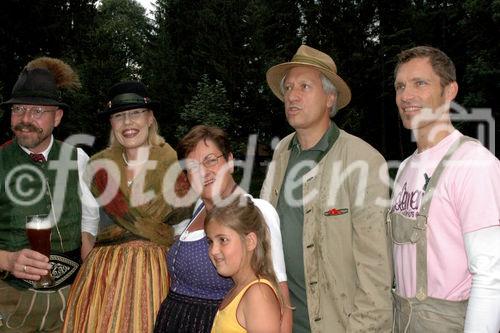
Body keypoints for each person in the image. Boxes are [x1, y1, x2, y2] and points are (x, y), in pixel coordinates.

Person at [260, 45, 393, 332]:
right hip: (283, 322)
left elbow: (376, 270)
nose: (292, 96)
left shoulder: (363, 161)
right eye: (288, 88)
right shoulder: (282, 153)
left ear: (330, 98)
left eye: (304, 86)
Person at [389, 46, 500, 332]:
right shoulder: (405, 168)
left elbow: (491, 275)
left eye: (420, 83)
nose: (406, 95)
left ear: (449, 91)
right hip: (402, 319)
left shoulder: (474, 164)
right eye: (400, 86)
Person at [62, 81, 179, 332]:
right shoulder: (97, 169)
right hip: (103, 278)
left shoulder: (175, 168)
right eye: (119, 116)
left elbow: (182, 229)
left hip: (156, 275)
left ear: (150, 118)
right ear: (111, 123)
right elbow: (89, 224)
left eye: (136, 113)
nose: (127, 123)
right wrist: (92, 280)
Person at [154, 125, 291, 333]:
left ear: (229, 161)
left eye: (211, 160)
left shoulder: (256, 211)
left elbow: (281, 301)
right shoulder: (198, 210)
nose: (203, 172)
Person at [0, 57, 99, 332]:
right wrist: (6, 260)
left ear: (57, 117)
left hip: (69, 301)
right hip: (10, 300)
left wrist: (87, 270)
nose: (25, 119)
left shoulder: (78, 159)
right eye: (18, 109)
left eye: (37, 111)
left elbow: (90, 220)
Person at [206, 195, 281, 333]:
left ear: (250, 241)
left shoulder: (258, 295)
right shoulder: (237, 290)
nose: (213, 250)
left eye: (223, 240)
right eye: (210, 242)